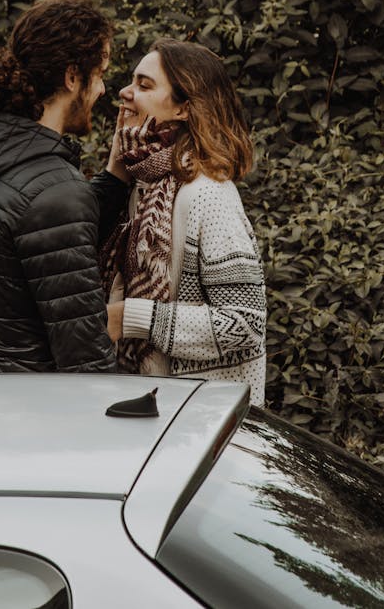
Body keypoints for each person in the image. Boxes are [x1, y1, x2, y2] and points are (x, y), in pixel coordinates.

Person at [0, 0, 127, 374]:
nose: (104, 90)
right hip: (39, 413)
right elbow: (86, 361)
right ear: (72, 76)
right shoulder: (54, 193)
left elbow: (40, 245)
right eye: (100, 74)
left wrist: (116, 176)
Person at [100, 38, 266, 405]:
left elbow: (245, 323)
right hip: (153, 408)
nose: (126, 92)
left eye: (144, 85)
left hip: (204, 422)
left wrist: (130, 317)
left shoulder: (208, 195)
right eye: (132, 81)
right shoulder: (145, 182)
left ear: (184, 109)